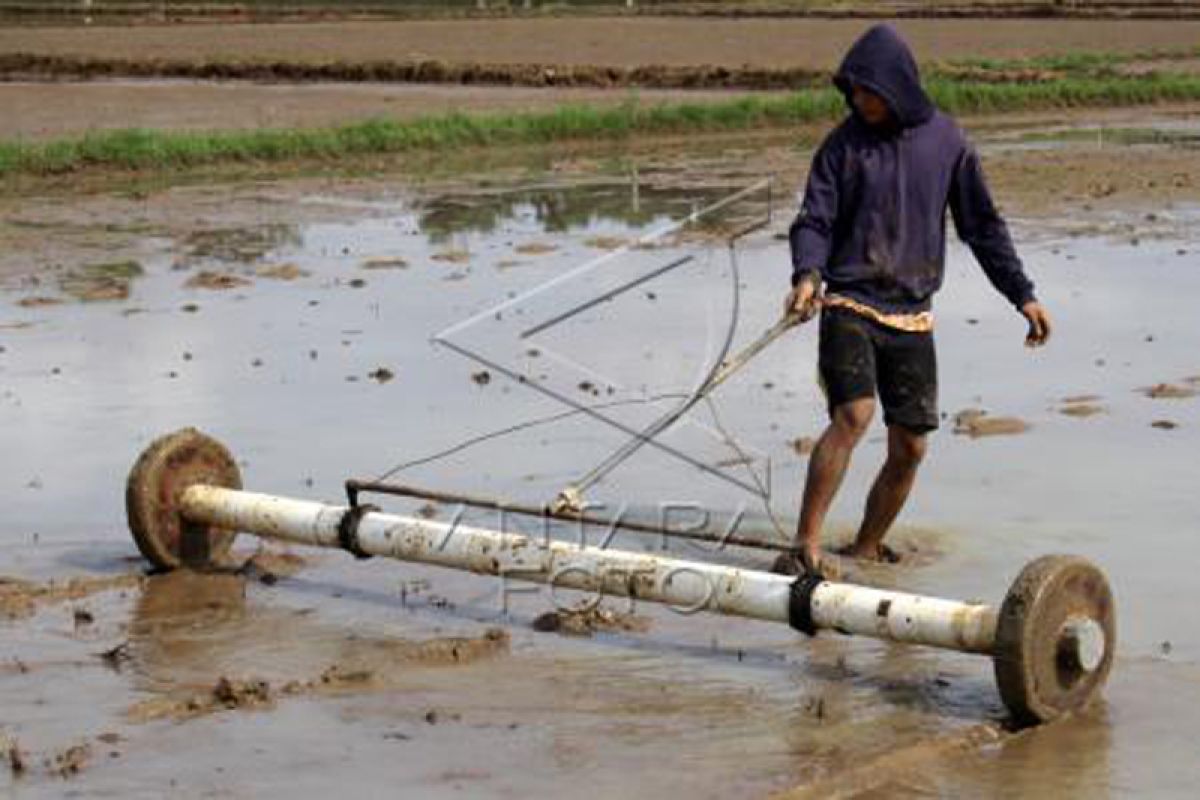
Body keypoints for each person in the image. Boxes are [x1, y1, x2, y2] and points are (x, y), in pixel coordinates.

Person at [780, 24, 1052, 575]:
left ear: (898, 86)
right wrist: (808, 275)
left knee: (911, 446)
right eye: (853, 90)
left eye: (869, 90)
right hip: (850, 302)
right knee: (854, 415)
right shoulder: (843, 145)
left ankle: (865, 548)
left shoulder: (947, 142)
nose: (860, 100)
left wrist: (1022, 294)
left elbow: (983, 227)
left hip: (911, 314)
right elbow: (815, 218)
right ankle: (805, 544)